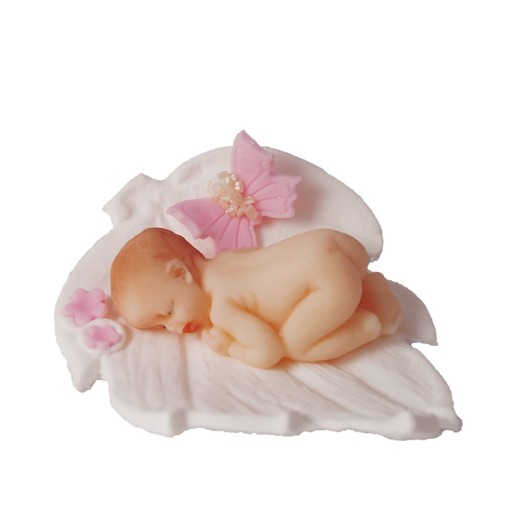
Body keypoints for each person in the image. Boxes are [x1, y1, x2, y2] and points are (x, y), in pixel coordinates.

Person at [111, 227, 401, 368]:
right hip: (329, 242)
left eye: (169, 311)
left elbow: (268, 351)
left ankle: (368, 324)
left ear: (180, 273)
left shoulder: (222, 308)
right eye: (162, 327)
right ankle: (372, 287)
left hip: (326, 286)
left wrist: (230, 347)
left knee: (296, 345)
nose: (174, 328)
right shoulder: (227, 259)